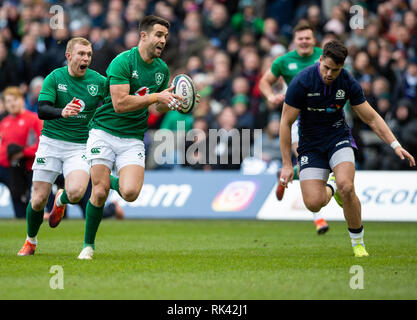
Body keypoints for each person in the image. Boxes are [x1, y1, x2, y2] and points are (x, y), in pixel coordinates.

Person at [279, 40, 415, 257]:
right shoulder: (302, 81)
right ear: (320, 59)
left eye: (335, 69)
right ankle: (332, 188)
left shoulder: (347, 82)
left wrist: (395, 144)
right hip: (310, 146)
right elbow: (285, 123)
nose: (329, 74)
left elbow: (371, 117)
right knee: (314, 204)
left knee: (348, 186)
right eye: (326, 67)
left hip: (338, 138)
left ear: (342, 67)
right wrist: (287, 164)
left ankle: (357, 243)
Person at [78, 15, 189, 260]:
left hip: (132, 138)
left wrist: (174, 102)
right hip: (104, 131)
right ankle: (88, 245)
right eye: (159, 35)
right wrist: (155, 98)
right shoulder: (123, 61)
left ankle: (96, 182)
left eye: (166, 37)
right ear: (144, 36)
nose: (163, 41)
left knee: (130, 193)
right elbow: (119, 103)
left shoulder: (161, 69)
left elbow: (157, 108)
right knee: (99, 191)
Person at [17, 37, 110, 256]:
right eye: (81, 54)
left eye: (88, 54)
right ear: (68, 56)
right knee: (38, 200)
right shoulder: (55, 77)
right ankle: (31, 240)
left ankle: (61, 199)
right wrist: (62, 112)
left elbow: (114, 103)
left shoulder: (98, 81)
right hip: (50, 142)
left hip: (79, 146)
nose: (86, 58)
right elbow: (41, 109)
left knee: (76, 193)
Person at [259, 21, 329, 234]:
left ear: (314, 40)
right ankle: (319, 218)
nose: (304, 41)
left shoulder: (324, 57)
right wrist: (271, 96)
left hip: (326, 117)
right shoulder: (284, 61)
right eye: (300, 38)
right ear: (295, 41)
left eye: (308, 38)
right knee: (307, 160)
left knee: (319, 163)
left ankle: (285, 173)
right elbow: (264, 82)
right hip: (298, 117)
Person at [0, 87, 42, 218]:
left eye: (15, 100)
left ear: (22, 100)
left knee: (34, 201)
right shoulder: (4, 123)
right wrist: (9, 155)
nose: (12, 104)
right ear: (5, 104)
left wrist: (23, 152)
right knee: (17, 199)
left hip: (31, 167)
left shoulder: (33, 119)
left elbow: (41, 144)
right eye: (8, 101)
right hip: (12, 168)